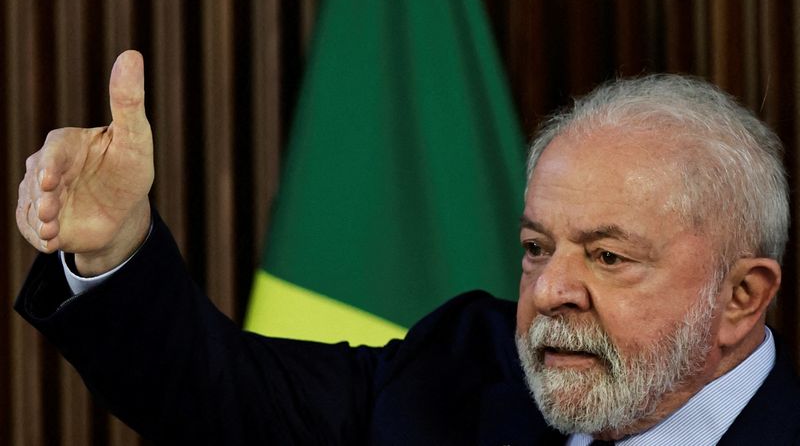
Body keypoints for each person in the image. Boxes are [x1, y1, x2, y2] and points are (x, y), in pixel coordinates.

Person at [14, 50, 800, 445]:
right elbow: (219, 394)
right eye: (536, 245)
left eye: (608, 257)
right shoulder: (465, 369)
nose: (551, 287)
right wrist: (116, 246)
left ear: (742, 296)